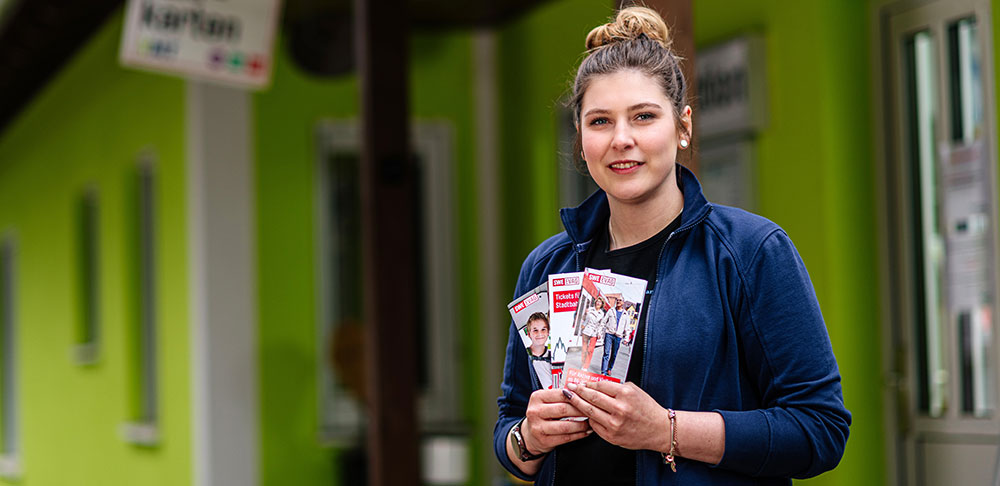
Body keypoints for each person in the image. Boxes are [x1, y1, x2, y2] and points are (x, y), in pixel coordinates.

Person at [494, 6, 850, 485]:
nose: (622, 139)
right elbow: (511, 430)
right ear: (579, 139)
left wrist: (665, 430)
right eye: (599, 122)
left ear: (683, 127)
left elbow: (820, 431)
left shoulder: (751, 251)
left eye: (643, 116)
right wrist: (528, 439)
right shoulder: (548, 265)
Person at [524, 312, 553, 389]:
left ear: (548, 332)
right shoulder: (523, 356)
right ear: (529, 334)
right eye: (535, 330)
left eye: (543, 329)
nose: (540, 334)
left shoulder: (553, 355)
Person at [579, 296, 606, 372]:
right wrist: (585, 314)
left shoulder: (602, 314)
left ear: (601, 304)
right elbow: (584, 318)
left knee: (590, 350)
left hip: (595, 333)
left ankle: (585, 366)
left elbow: (601, 324)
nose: (598, 303)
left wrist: (599, 333)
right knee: (584, 349)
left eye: (600, 302)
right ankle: (582, 363)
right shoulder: (590, 310)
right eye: (597, 301)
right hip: (586, 331)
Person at [601, 298, 626, 376]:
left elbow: (627, 327)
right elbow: (604, 321)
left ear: (623, 303)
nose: (618, 301)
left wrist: (627, 338)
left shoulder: (625, 314)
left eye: (620, 300)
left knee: (614, 354)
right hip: (609, 334)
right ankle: (603, 371)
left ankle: (609, 368)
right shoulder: (611, 311)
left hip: (618, 336)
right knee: (606, 353)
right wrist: (601, 331)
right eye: (617, 300)